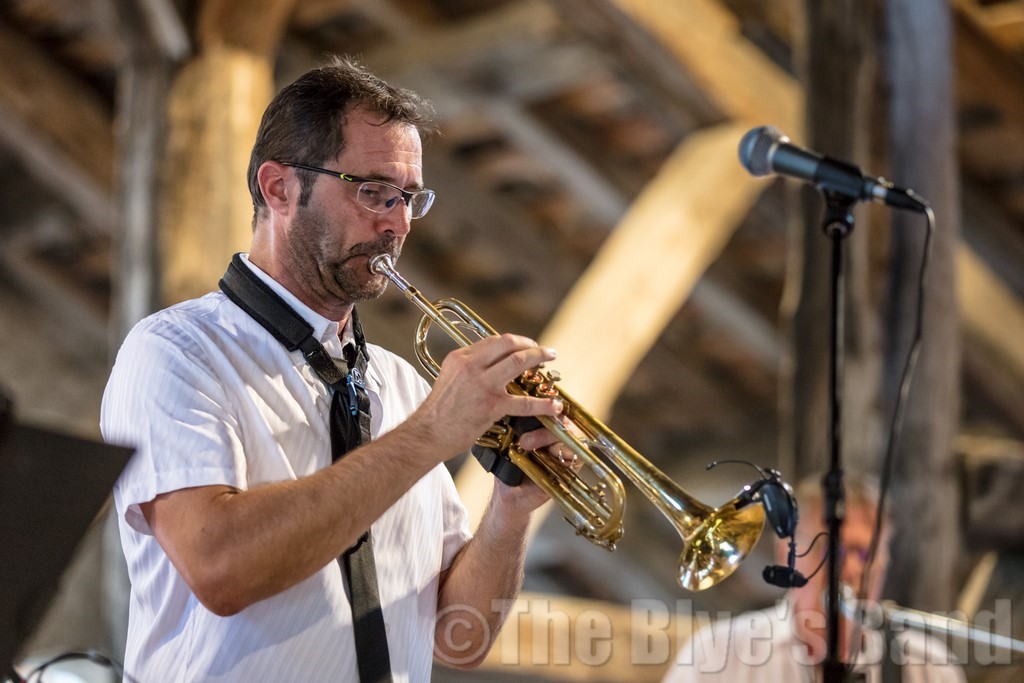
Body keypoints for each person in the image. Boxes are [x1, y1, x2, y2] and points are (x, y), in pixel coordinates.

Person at [101, 56, 572, 682]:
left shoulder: (401, 383)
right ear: (279, 188)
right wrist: (431, 432)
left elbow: (457, 642)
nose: (398, 224)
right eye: (374, 191)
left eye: (410, 198)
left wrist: (513, 508)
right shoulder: (175, 352)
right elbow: (220, 568)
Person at [660, 476, 967, 683]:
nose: (845, 570)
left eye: (864, 553)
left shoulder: (927, 666)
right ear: (786, 554)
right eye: (828, 549)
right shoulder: (717, 654)